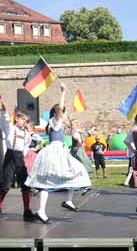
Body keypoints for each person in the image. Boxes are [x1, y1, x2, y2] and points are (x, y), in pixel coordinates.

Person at [25, 82, 91, 224]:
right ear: (57, 113)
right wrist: (63, 91)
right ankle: (43, 210)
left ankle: (67, 200)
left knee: (75, 171)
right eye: (62, 112)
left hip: (60, 150)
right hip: (54, 152)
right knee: (49, 182)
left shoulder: (56, 123)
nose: (64, 114)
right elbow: (60, 108)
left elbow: (62, 112)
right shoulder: (55, 121)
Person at [0, 101, 34, 220]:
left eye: (27, 121)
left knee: (25, 184)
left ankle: (27, 210)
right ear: (17, 118)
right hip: (10, 156)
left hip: (20, 157)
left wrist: (23, 155)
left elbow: (26, 146)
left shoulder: (26, 134)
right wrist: (4, 110)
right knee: (6, 184)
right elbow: (4, 121)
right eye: (23, 119)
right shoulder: (10, 128)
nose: (25, 122)